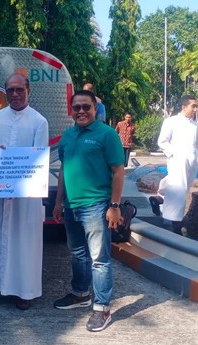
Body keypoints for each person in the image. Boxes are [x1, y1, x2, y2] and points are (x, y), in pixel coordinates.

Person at [52, 89, 125, 332]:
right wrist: (58, 202)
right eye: (77, 107)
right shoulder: (67, 136)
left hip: (97, 205)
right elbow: (63, 170)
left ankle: (102, 308)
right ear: (71, 111)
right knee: (77, 254)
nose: (81, 111)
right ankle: (80, 294)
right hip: (71, 206)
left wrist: (114, 206)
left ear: (95, 109)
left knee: (99, 260)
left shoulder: (107, 134)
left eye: (86, 107)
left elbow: (118, 171)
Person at [0, 73, 49, 311]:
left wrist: (17, 178)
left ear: (29, 91)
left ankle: (23, 291)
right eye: (11, 90)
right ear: (5, 92)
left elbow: (39, 158)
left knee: (24, 241)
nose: (15, 94)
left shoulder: (39, 121)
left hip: (25, 196)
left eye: (20, 90)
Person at [149, 95, 198, 236]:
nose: (195, 109)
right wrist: (173, 153)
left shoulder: (195, 125)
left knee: (181, 187)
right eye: (193, 106)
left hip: (192, 160)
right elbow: (162, 141)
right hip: (178, 158)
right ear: (184, 107)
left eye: (196, 106)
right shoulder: (171, 121)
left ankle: (159, 198)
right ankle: (175, 223)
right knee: (179, 188)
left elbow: (195, 143)